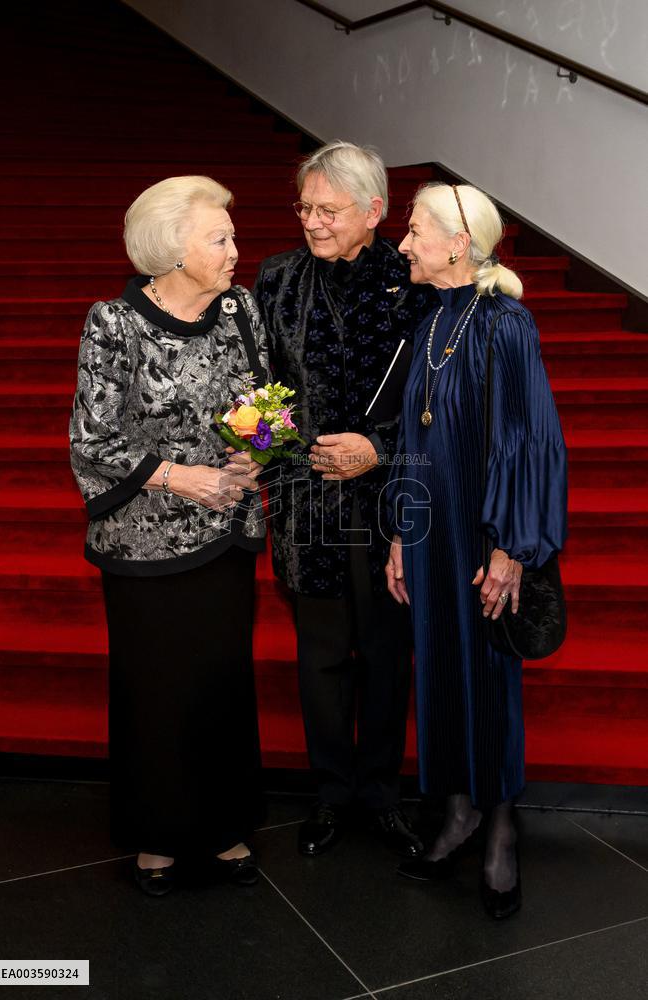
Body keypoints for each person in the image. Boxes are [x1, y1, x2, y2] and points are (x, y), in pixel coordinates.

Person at [70, 175, 268, 895]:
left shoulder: (241, 309)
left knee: (220, 683)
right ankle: (157, 838)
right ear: (172, 247)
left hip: (227, 533)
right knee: (157, 689)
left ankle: (223, 830)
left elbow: (265, 402)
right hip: (144, 542)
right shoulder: (113, 324)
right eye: (219, 239)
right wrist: (180, 476)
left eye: (232, 237)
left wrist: (260, 448)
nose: (235, 252)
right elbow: (92, 441)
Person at [385, 181, 567, 918]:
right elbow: (413, 440)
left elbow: (532, 443)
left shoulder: (506, 323)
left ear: (458, 243)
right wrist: (401, 530)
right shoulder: (430, 325)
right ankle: (456, 811)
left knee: (488, 679)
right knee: (441, 672)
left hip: (487, 540)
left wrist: (514, 548)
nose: (404, 244)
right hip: (432, 536)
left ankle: (499, 831)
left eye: (416, 231)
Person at [254, 141, 428, 859]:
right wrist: (288, 455)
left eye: (329, 210)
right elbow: (251, 393)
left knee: (387, 653)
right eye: (305, 207)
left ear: (374, 211)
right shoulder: (276, 280)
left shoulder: (413, 280)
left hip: (393, 504)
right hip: (307, 506)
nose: (313, 222)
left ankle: (382, 794)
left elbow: (436, 401)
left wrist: (377, 450)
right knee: (321, 654)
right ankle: (331, 793)